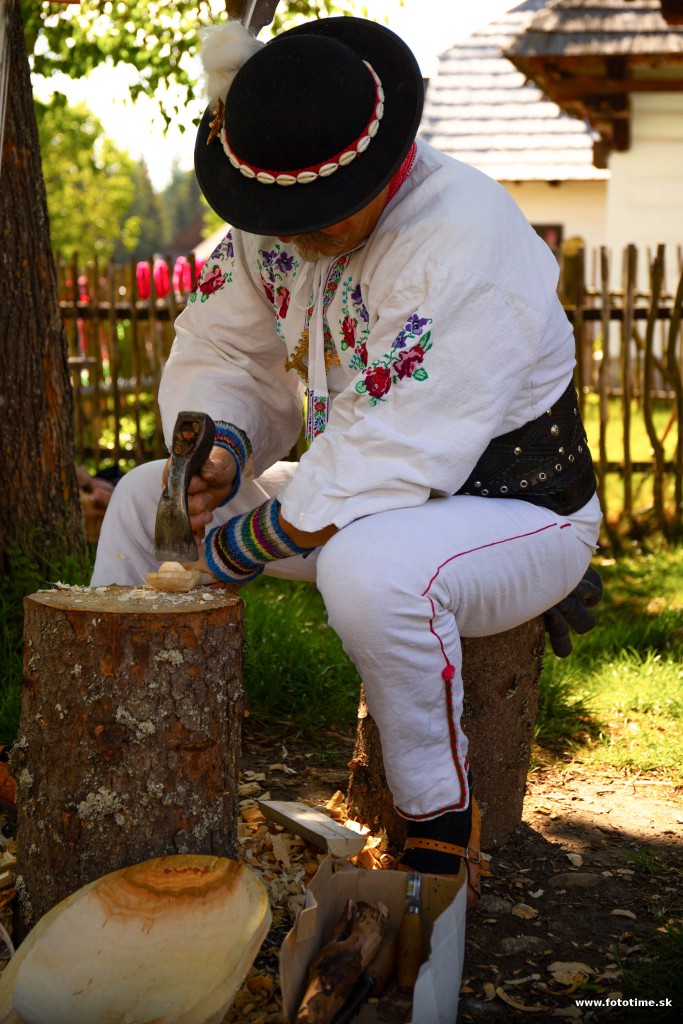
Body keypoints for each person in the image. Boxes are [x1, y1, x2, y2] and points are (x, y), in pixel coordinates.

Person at [91, 15, 602, 909]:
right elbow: (229, 350)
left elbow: (398, 440)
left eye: (318, 219)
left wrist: (244, 542)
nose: (296, 239)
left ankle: (438, 831)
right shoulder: (279, 208)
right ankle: (109, 760)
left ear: (380, 165)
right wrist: (216, 448)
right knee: (142, 498)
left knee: (370, 570)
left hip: (517, 511)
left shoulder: (463, 232)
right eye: (279, 221)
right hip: (359, 499)